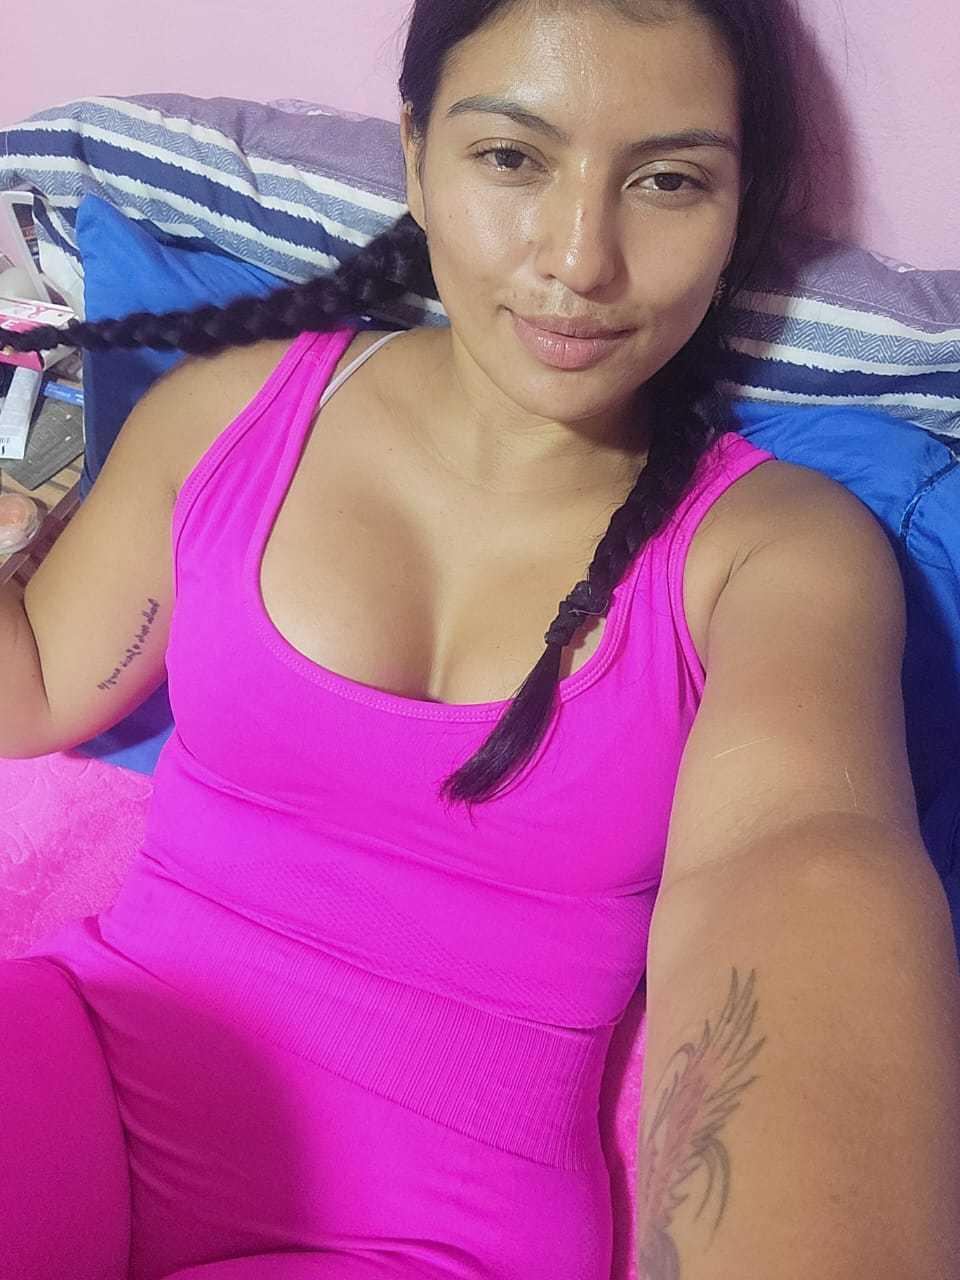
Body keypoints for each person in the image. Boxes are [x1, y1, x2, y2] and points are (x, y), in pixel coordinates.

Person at [3, 2, 959, 1279]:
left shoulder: (774, 553)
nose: (579, 258)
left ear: (741, 212)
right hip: (91, 1074)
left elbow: (805, 867)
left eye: (668, 181)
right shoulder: (229, 414)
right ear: (416, 155)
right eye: (512, 157)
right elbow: (36, 683)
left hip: (434, 1238)